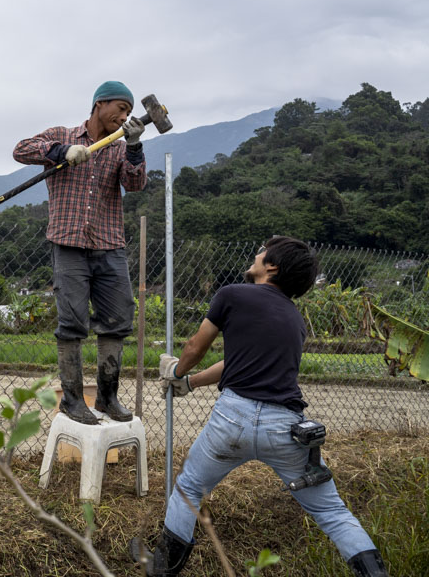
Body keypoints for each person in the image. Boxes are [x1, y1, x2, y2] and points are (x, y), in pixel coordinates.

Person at [132, 236, 387, 576]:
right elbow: (236, 362)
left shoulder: (232, 294)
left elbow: (196, 346)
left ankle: (162, 567)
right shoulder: (296, 321)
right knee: (332, 513)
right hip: (287, 429)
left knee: (190, 487)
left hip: (231, 421)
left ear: (272, 266)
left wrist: (176, 371)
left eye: (261, 252)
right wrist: (191, 384)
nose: (256, 254)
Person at [13, 80, 147, 424]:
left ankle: (107, 397)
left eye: (129, 112)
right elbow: (21, 149)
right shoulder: (61, 133)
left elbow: (134, 184)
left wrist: (133, 148)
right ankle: (72, 400)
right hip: (69, 243)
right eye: (121, 108)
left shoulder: (119, 146)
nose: (124, 116)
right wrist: (60, 152)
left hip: (109, 244)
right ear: (100, 104)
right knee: (72, 323)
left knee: (117, 321)